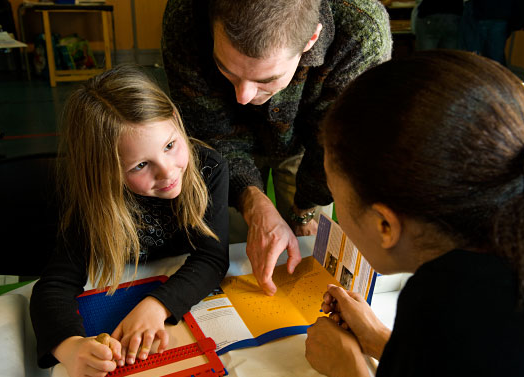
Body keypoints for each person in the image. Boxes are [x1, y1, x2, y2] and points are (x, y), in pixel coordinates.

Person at [304, 50, 524, 377]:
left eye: (334, 195)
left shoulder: (444, 303)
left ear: (385, 225)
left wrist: (347, 366)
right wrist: (387, 344)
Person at [161, 0, 392, 295]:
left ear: (312, 39)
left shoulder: (362, 27)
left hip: (311, 143)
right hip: (222, 136)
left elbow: (335, 144)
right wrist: (252, 204)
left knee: (310, 250)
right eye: (226, 69)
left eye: (266, 79)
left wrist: (304, 210)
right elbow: (210, 135)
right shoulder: (185, 14)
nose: (243, 96)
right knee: (231, 253)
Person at [29, 65, 229, 377]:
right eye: (140, 165)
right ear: (106, 171)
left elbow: (212, 257)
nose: (168, 172)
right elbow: (54, 285)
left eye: (169, 145)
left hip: (170, 289)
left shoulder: (209, 168)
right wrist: (70, 348)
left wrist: (157, 305)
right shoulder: (93, 197)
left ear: (177, 122)